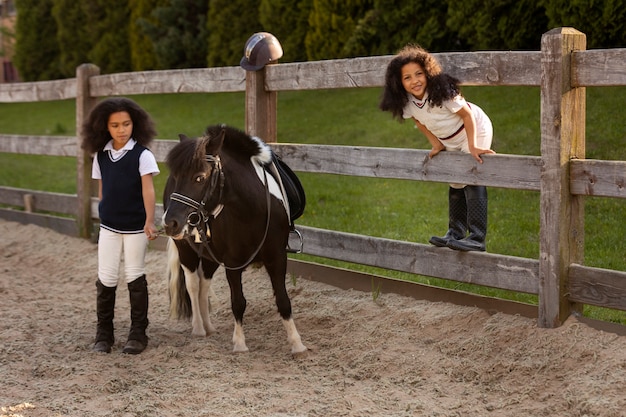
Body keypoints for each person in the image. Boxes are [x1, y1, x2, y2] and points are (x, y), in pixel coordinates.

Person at [380, 44, 495, 252]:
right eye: (407, 77)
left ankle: (477, 238)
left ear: (428, 73)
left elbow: (467, 116)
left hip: (474, 129)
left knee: (471, 175)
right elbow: (420, 122)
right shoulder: (408, 103)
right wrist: (437, 144)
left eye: (418, 74)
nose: (414, 80)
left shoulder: (442, 92)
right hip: (449, 139)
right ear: (399, 82)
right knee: (455, 182)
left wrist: (473, 145)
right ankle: (455, 233)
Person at [81, 97, 160, 354]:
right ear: (105, 127)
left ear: (134, 124)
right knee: (106, 278)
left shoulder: (142, 155)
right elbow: (103, 190)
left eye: (126, 124)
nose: (121, 130)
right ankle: (104, 335)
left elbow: (149, 191)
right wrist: (104, 215)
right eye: (115, 125)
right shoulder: (101, 155)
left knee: (135, 276)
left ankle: (138, 334)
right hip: (109, 228)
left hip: (136, 227)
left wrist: (150, 221)